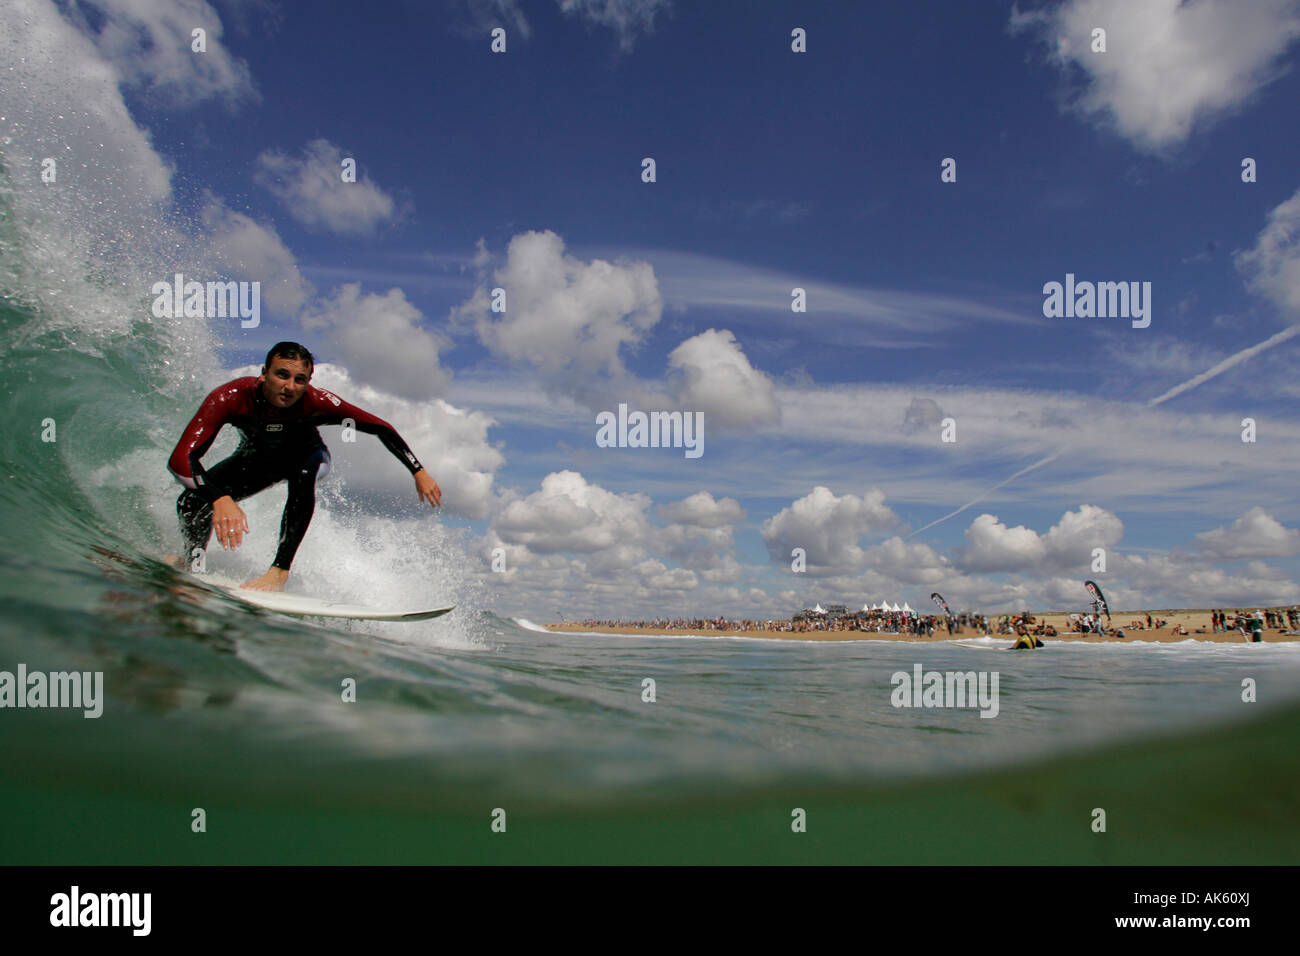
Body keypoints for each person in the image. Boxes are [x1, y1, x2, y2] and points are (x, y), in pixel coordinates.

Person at [167, 342, 441, 590]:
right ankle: (194, 563)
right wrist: (219, 498)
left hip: (309, 457)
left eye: (300, 380)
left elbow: (381, 428)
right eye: (282, 375)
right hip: (255, 460)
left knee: (302, 473)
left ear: (309, 381)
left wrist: (418, 470)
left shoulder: (316, 402)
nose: (290, 387)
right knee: (191, 501)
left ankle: (278, 573)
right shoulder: (231, 398)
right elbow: (180, 460)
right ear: (264, 372)